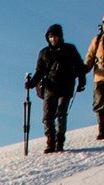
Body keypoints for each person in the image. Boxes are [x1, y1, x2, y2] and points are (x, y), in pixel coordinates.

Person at [27, 24, 87, 153]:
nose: (53, 39)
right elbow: (39, 71)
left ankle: (59, 141)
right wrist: (32, 83)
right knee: (48, 116)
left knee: (61, 113)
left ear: (60, 36)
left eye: (55, 36)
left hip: (66, 86)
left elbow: (79, 66)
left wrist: (81, 81)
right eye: (51, 37)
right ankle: (50, 142)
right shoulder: (44, 53)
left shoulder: (69, 49)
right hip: (50, 87)